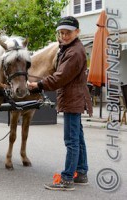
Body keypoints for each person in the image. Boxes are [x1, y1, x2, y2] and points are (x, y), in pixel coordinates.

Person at [28, 16, 93, 191]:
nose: (64, 36)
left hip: (73, 99)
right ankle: (81, 172)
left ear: (77, 32)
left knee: (71, 140)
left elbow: (60, 77)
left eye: (68, 33)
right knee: (78, 138)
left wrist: (38, 84)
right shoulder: (70, 47)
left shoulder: (74, 52)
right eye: (61, 33)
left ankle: (66, 179)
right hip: (74, 97)